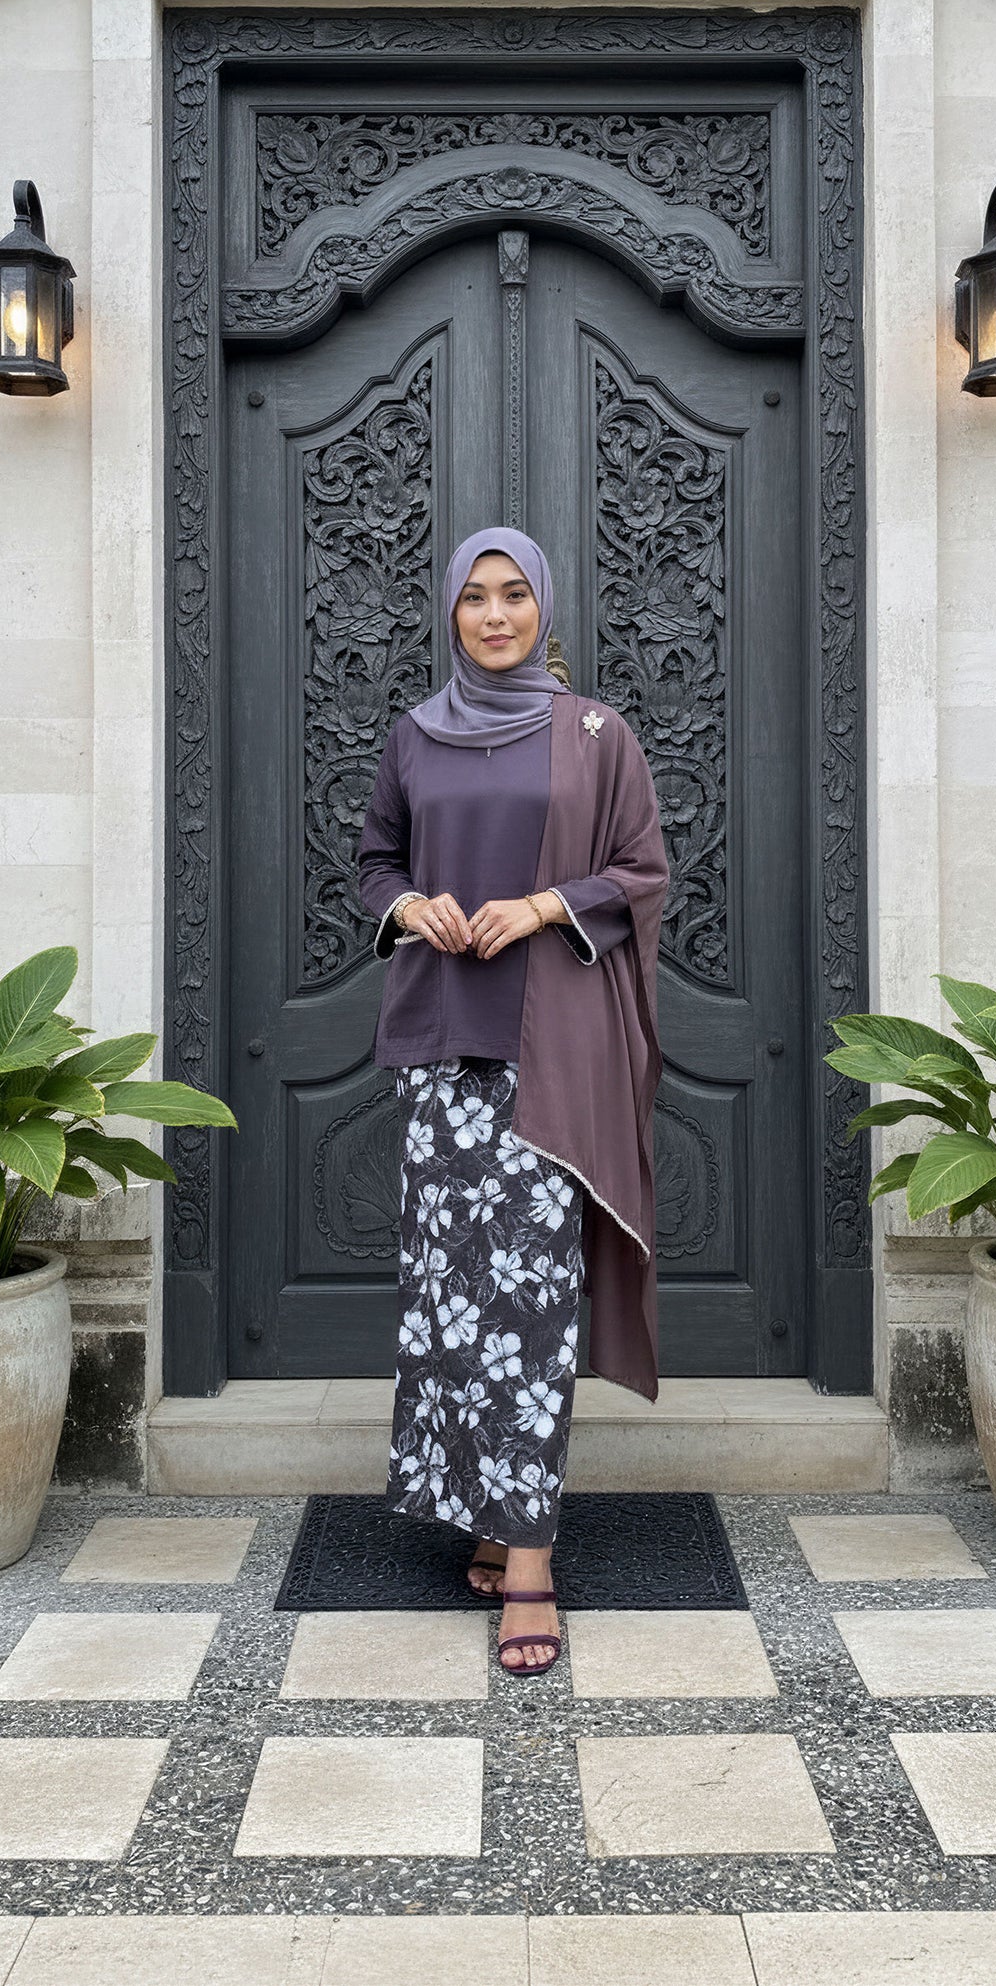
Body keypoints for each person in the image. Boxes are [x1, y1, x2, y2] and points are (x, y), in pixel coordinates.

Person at [357, 526, 669, 1676]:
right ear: (451, 614)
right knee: (449, 1300)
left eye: (515, 595)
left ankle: (528, 1560)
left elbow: (643, 870)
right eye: (476, 599)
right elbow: (372, 861)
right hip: (444, 1048)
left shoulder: (595, 735)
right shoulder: (416, 735)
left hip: (551, 1055)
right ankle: (485, 1512)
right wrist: (413, 906)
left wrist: (543, 907)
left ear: (546, 607)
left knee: (531, 1306)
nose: (495, 615)